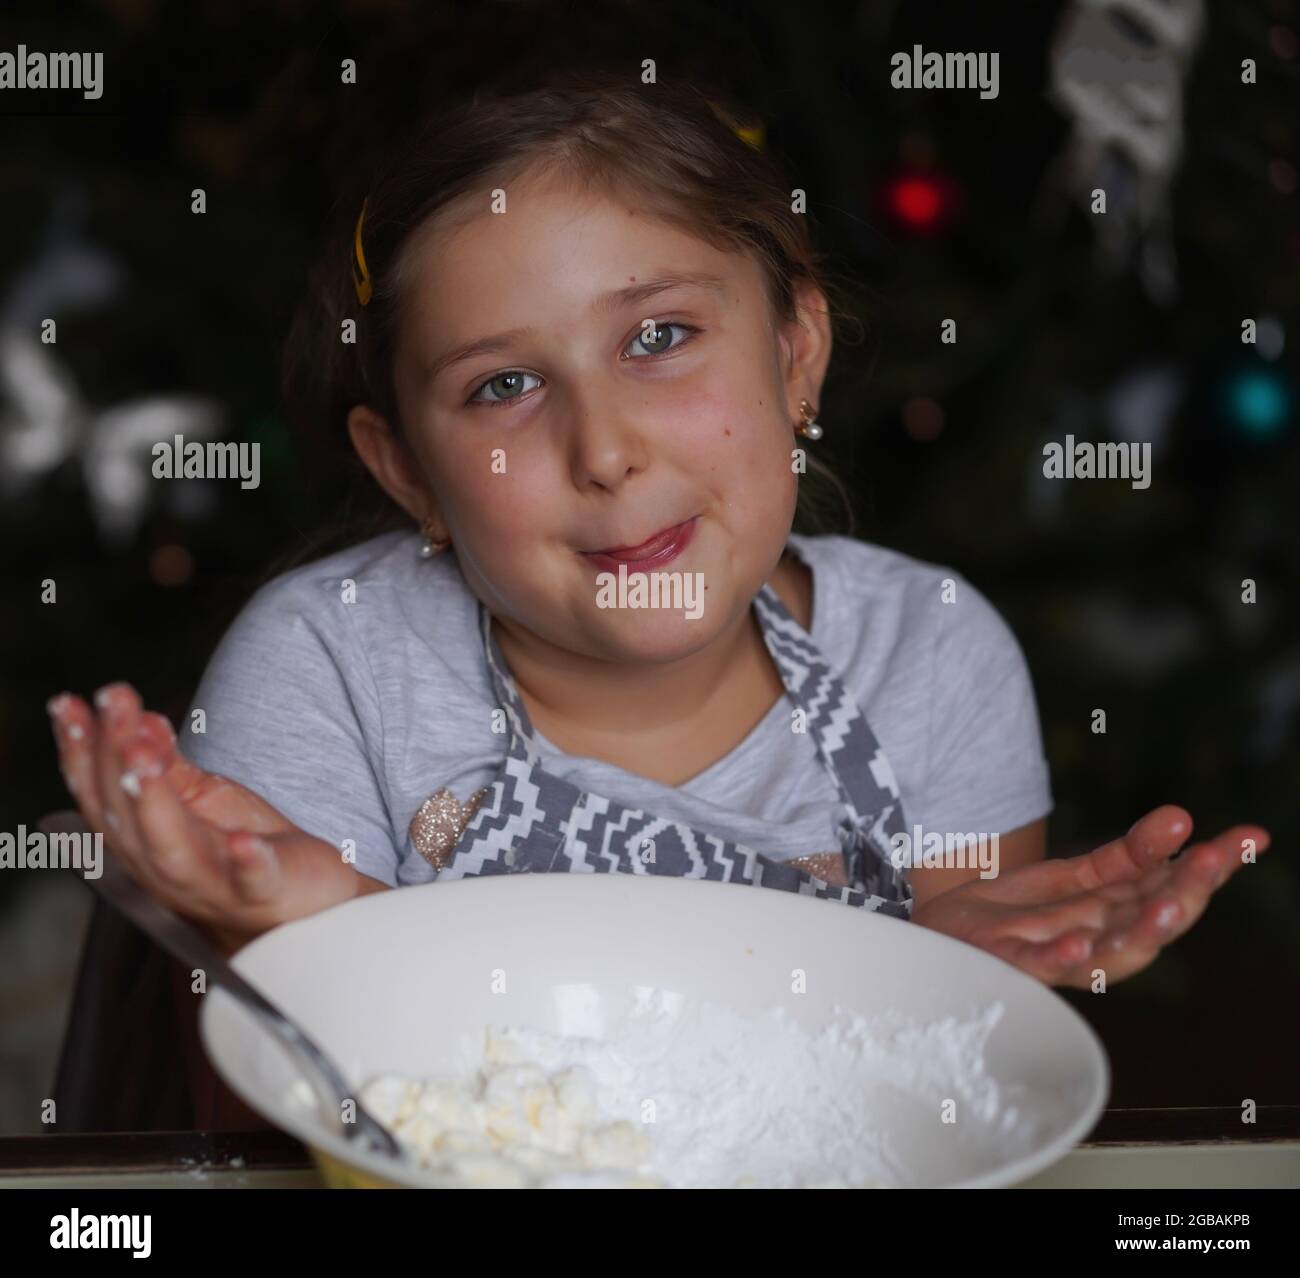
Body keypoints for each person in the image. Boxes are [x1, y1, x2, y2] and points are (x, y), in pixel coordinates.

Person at [47, 67, 1268, 993]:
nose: (606, 448)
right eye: (502, 386)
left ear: (797, 353)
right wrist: (317, 937)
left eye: (658, 338)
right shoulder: (330, 669)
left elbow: (935, 1103)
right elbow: (306, 1119)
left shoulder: (931, 658)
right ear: (409, 470)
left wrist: (932, 980)